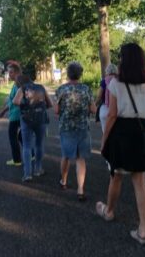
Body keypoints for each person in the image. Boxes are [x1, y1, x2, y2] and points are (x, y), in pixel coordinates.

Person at [97, 43, 145, 245]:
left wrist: (104, 141)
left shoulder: (116, 83)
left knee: (117, 176)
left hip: (122, 132)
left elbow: (112, 115)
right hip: (142, 130)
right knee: (140, 181)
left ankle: (109, 211)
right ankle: (143, 230)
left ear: (123, 59)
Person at [55, 62, 96, 201]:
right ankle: (80, 190)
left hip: (66, 127)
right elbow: (93, 109)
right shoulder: (86, 89)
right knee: (80, 158)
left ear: (68, 74)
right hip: (83, 127)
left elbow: (56, 110)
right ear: (80, 74)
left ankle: (64, 181)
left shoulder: (61, 90)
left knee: (66, 156)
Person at [13, 75, 52, 182]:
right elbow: (50, 104)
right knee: (39, 144)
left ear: (20, 82)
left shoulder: (23, 88)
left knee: (26, 146)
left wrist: (26, 105)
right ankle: (38, 169)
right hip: (41, 118)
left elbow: (15, 101)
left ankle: (27, 174)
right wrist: (39, 106)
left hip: (26, 119)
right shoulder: (41, 88)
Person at [0, 61, 23, 166]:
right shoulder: (17, 84)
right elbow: (11, 100)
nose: (9, 75)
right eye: (9, 72)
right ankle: (31, 154)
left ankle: (17, 160)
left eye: (11, 72)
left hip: (16, 115)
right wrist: (4, 111)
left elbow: (17, 100)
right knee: (21, 136)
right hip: (18, 114)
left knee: (12, 136)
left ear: (17, 72)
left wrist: (5, 111)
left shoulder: (18, 84)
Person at [95, 64, 118, 132]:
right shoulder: (119, 80)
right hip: (118, 109)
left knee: (106, 132)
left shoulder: (104, 81)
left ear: (107, 71)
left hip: (105, 109)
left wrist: (95, 104)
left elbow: (99, 96)